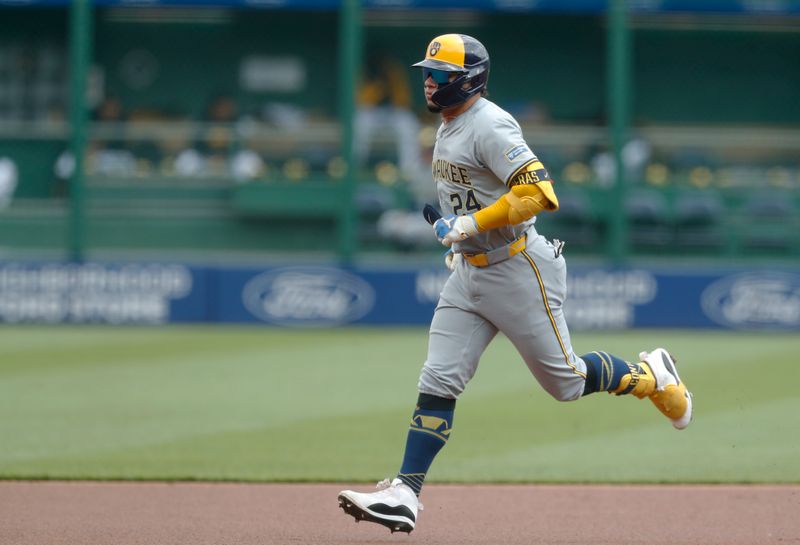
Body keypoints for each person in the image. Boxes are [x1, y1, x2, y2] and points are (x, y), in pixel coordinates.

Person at [337, 34, 693, 534]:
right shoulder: (448, 123)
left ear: (469, 79)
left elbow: (539, 192)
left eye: (439, 75)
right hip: (469, 272)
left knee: (565, 383)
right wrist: (460, 234)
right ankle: (405, 493)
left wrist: (471, 224)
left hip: (517, 268)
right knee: (438, 379)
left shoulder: (490, 123)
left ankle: (652, 376)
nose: (428, 82)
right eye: (427, 72)